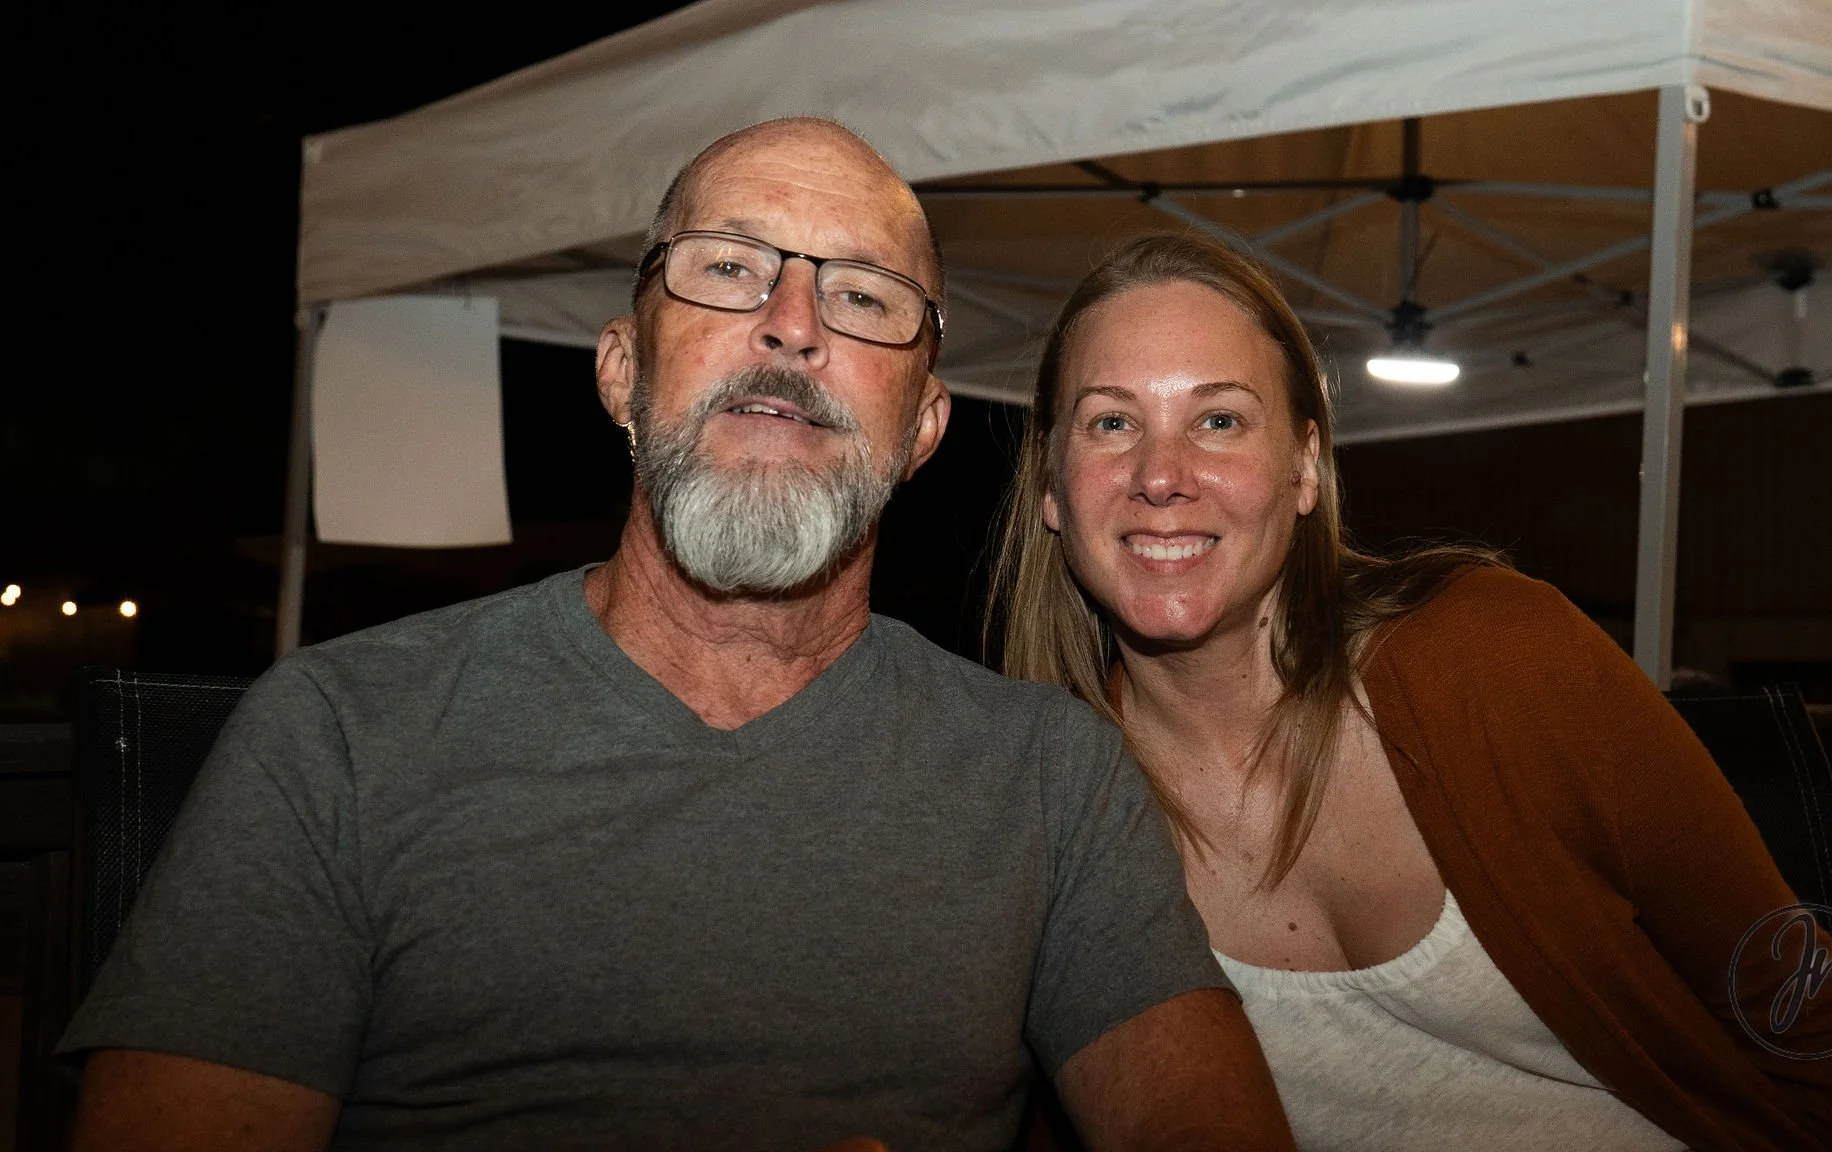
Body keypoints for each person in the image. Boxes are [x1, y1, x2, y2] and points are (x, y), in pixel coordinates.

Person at [60, 123, 1295, 1152]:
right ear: (617, 370)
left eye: (862, 297)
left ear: (921, 428)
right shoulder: (337, 732)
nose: (792, 324)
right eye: (727, 269)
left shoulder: (1046, 774)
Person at [989, 231, 1832, 1152]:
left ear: (1303, 466)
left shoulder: (1498, 662)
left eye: (1217, 418)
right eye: (1111, 423)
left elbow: (1801, 1004)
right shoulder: (1042, 813)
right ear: (1049, 486)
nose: (1161, 474)